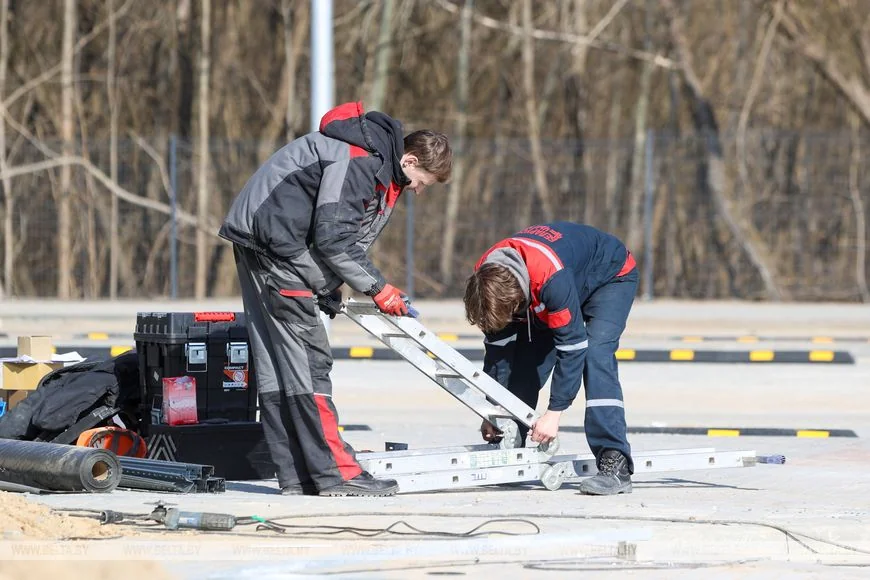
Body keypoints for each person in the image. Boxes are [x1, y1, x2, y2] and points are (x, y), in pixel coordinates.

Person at [219, 101, 452, 497]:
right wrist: (380, 289)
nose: (418, 191)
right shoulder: (360, 159)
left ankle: (298, 475)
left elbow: (340, 234)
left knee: (279, 368)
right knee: (310, 364)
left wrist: (328, 286)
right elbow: (332, 238)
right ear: (410, 161)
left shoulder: (372, 160)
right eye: (423, 182)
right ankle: (336, 475)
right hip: (278, 249)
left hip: (266, 244)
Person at [463, 222, 637, 495]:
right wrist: (494, 413)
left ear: (519, 300)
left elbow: (572, 346)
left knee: (594, 354)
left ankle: (614, 462)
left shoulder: (549, 281)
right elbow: (498, 354)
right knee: (526, 358)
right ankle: (511, 441)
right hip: (561, 279)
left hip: (608, 276)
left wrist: (554, 413)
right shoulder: (485, 283)